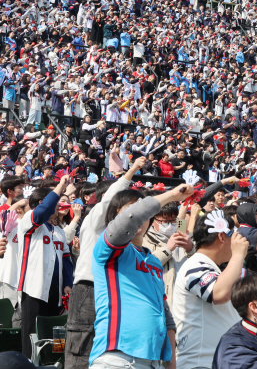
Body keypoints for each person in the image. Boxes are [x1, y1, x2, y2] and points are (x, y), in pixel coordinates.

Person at [89, 183, 195, 368]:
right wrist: (170, 195)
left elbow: (166, 316)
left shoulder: (157, 254)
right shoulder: (112, 248)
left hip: (153, 359)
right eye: (164, 220)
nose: (168, 225)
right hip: (117, 358)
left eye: (172, 221)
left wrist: (171, 364)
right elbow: (132, 217)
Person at [65, 157, 146, 369]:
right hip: (88, 291)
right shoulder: (94, 223)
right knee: (81, 348)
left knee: (104, 350)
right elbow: (108, 199)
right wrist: (132, 171)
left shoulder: (124, 236)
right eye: (128, 205)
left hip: (112, 292)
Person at [172, 210, 249, 369]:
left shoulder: (208, 266)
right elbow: (219, 293)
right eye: (233, 235)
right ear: (222, 236)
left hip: (214, 361)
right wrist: (238, 255)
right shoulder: (195, 264)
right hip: (200, 363)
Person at [17, 175, 73, 357]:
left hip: (56, 291)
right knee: (32, 334)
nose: (59, 205)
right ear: (43, 202)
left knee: (56, 334)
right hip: (33, 288)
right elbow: (42, 212)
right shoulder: (28, 221)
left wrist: (68, 283)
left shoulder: (58, 231)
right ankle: (29, 363)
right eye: (56, 201)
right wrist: (60, 187)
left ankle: (55, 362)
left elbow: (66, 259)